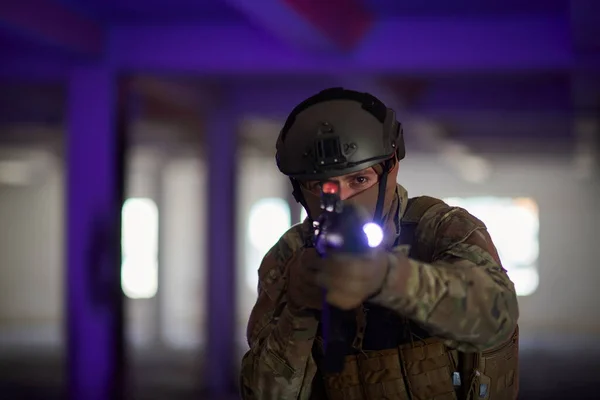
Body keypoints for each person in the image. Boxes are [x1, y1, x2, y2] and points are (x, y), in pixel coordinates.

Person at [240, 88, 520, 400]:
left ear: (390, 168)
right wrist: (299, 309)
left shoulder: (442, 229)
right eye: (321, 187)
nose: (342, 200)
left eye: (359, 180)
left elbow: (496, 318)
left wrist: (388, 278)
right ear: (300, 189)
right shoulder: (290, 256)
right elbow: (263, 393)